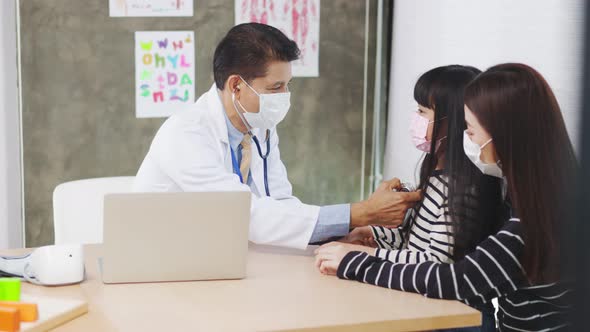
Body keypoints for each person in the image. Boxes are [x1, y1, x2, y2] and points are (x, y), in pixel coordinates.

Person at [315, 63, 576, 331]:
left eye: (471, 131)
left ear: (504, 135)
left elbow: (454, 279)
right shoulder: (540, 198)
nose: (467, 140)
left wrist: (356, 261)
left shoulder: (530, 225)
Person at [133, 23, 421, 249]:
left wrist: (331, 235)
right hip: (163, 260)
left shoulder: (259, 128)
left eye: (288, 85)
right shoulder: (186, 134)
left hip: (221, 255)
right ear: (236, 85)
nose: (285, 97)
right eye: (275, 87)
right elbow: (241, 214)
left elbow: (279, 202)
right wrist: (360, 213)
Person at [333, 65, 506, 331]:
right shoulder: (436, 174)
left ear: (455, 121)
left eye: (423, 112)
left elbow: (433, 262)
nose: (416, 118)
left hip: (458, 317)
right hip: (433, 306)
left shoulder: (462, 188)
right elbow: (415, 241)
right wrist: (373, 235)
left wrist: (359, 255)